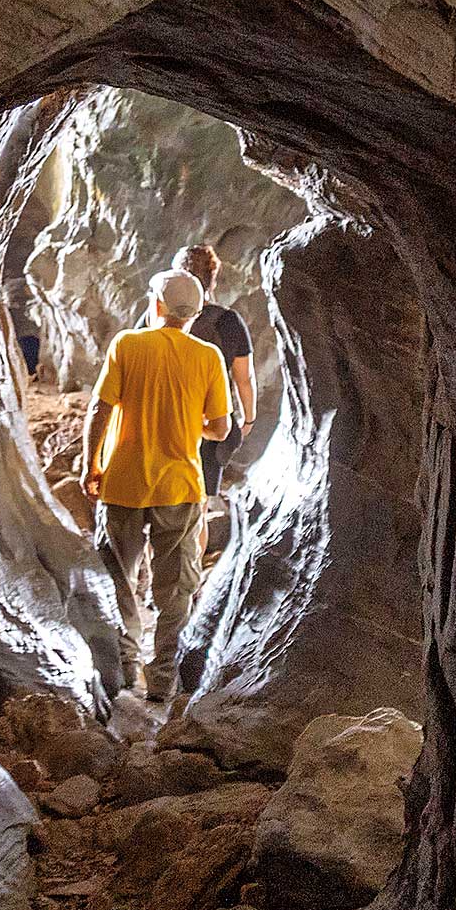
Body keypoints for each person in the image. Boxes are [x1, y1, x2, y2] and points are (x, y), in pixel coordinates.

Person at [81, 267, 231, 699]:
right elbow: (220, 429)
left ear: (157, 304)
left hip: (123, 483)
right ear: (196, 313)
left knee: (122, 579)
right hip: (180, 488)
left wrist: (90, 464)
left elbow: (100, 409)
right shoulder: (207, 357)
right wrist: (188, 424)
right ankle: (163, 681)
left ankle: (128, 668)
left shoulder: (128, 344)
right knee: (176, 588)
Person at [173, 243, 257, 498]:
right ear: (213, 279)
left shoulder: (155, 317)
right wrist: (247, 419)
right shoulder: (229, 322)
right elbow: (244, 378)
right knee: (198, 503)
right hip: (212, 423)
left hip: (166, 421)